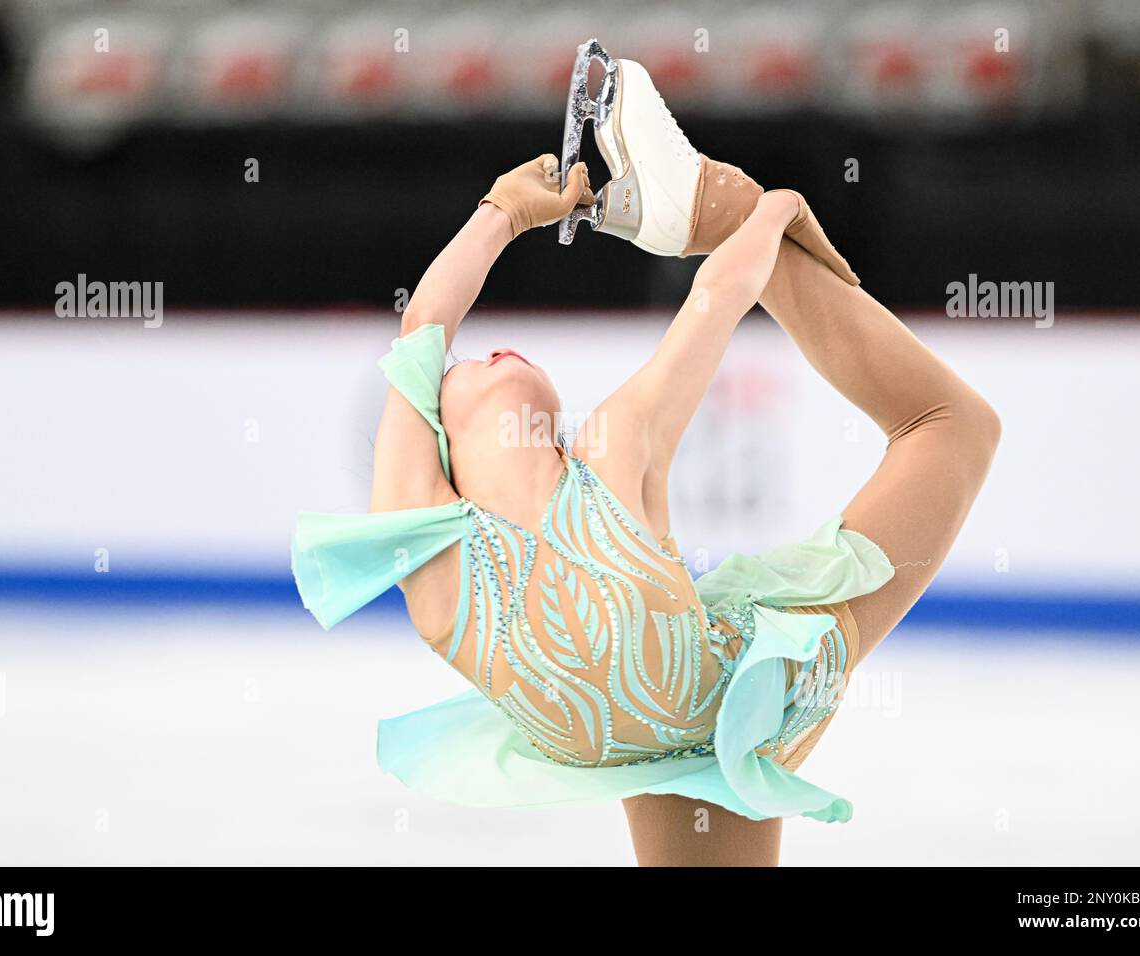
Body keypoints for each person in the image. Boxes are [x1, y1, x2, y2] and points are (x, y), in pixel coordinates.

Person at [293, 70, 999, 867]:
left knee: (954, 429)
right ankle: (707, 206)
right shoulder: (471, 524)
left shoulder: (548, 499)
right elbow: (427, 327)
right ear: (442, 443)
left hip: (692, 715)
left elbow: (431, 328)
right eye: (470, 364)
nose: (486, 350)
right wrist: (770, 208)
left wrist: (509, 212)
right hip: (720, 716)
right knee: (952, 427)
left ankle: (706, 208)